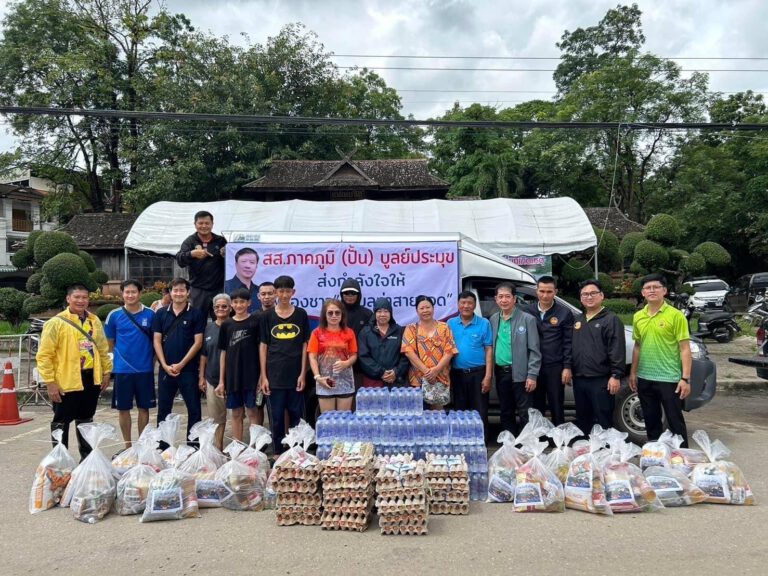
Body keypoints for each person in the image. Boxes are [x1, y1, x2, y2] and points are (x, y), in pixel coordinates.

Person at [37, 284, 113, 460]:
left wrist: (107, 372)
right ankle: (60, 460)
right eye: (76, 297)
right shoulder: (55, 323)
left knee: (86, 419)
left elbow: (102, 348)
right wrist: (50, 382)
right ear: (68, 299)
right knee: (61, 421)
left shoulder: (94, 321)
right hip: (66, 381)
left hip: (90, 378)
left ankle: (86, 459)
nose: (81, 301)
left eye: (84, 297)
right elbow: (44, 355)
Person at [630, 273, 693, 447]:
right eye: (647, 288)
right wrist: (633, 373)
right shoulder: (638, 317)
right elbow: (637, 346)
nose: (652, 291)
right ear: (642, 293)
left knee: (675, 422)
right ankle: (655, 457)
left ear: (664, 291)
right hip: (645, 377)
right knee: (651, 422)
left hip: (669, 378)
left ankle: (682, 458)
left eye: (656, 287)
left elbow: (685, 348)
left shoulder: (675, 316)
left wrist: (685, 378)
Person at [260, 275, 310, 454]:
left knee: (298, 416)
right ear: (275, 293)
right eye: (280, 291)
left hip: (296, 374)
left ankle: (299, 451)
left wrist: (303, 373)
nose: (284, 295)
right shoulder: (267, 316)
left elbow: (305, 345)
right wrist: (264, 376)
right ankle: (278, 453)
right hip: (274, 375)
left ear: (293, 292)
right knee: (276, 418)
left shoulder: (301, 314)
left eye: (288, 291)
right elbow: (263, 345)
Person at [152, 277, 206, 441]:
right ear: (170, 292)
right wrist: (164, 364)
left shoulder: (196, 314)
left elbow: (198, 342)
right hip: (166, 369)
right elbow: (156, 340)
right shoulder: (161, 314)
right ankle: (163, 447)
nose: (179, 293)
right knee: (164, 410)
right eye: (175, 290)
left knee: (194, 409)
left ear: (188, 292)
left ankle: (194, 446)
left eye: (182, 290)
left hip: (188, 369)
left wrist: (181, 364)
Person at [104, 279, 156, 449]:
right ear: (122, 294)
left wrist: (153, 361)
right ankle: (128, 446)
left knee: (144, 408)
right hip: (122, 370)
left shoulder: (150, 315)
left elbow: (156, 342)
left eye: (134, 292)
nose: (130, 295)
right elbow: (110, 343)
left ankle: (142, 444)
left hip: (145, 369)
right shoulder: (114, 315)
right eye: (127, 292)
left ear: (140, 294)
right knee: (123, 409)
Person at [571, 279, 626, 435]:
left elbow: (617, 349)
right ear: (581, 298)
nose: (589, 297)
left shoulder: (610, 319)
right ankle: (588, 453)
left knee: (603, 419)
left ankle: (605, 454)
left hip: (601, 380)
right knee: (583, 419)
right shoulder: (578, 319)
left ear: (602, 295)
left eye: (593, 293)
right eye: (585, 294)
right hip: (580, 379)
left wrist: (616, 375)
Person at [520, 275, 573, 425]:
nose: (545, 295)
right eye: (541, 291)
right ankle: (539, 439)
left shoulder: (564, 313)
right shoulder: (526, 311)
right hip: (533, 367)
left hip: (554, 367)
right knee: (536, 406)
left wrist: (567, 367)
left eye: (549, 291)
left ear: (555, 291)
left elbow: (568, 342)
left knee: (557, 404)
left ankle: (560, 441)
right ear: (536, 291)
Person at [489, 283, 541, 435]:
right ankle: (509, 445)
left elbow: (535, 350)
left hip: (521, 374)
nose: (504, 300)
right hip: (501, 373)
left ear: (514, 299)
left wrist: (532, 375)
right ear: (496, 299)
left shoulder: (527, 319)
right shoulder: (493, 319)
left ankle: (526, 446)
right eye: (500, 297)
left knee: (525, 412)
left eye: (507, 296)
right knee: (506, 410)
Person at [216, 288, 261, 442]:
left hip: (252, 376)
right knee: (236, 413)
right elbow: (223, 353)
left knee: (252, 412)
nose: (239, 305)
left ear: (249, 303)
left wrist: (261, 376)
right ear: (231, 305)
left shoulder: (255, 322)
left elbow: (262, 350)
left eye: (242, 301)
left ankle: (254, 449)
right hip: (233, 377)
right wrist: (222, 380)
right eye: (235, 302)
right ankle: (238, 447)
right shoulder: (227, 325)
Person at [447, 291, 493, 432]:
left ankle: (481, 446)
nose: (466, 306)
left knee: (480, 412)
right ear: (458, 304)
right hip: (457, 374)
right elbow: (446, 350)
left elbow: (488, 350)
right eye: (463, 303)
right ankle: (462, 446)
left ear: (474, 305)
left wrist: (488, 376)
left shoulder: (484, 323)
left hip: (478, 374)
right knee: (459, 412)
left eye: (469, 303)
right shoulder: (450, 323)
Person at [401, 295, 458, 409]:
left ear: (433, 308)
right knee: (419, 413)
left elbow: (450, 351)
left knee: (437, 414)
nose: (425, 310)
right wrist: (428, 372)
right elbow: (408, 352)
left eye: (428, 307)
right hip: (418, 379)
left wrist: (436, 371)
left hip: (440, 377)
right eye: (421, 308)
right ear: (417, 310)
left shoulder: (444, 327)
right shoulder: (411, 328)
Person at [308, 299, 358, 412]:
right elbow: (312, 357)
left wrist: (346, 363)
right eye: (330, 313)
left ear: (342, 314)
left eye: (337, 312)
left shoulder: (349, 332)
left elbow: (354, 355)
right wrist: (317, 377)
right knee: (327, 422)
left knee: (343, 421)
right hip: (325, 381)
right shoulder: (316, 333)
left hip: (345, 381)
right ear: (324, 315)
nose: (334, 315)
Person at [175, 210, 228, 318]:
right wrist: (191, 254)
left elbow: (234, 260)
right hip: (198, 289)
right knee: (197, 319)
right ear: (195, 224)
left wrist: (226, 254)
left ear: (212, 224)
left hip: (219, 288)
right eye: (200, 223)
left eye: (207, 223)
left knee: (221, 318)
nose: (204, 226)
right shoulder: (190, 241)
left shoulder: (221, 240)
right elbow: (180, 260)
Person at [199, 293, 230, 451]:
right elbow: (204, 355)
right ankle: (218, 448)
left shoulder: (234, 325)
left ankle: (238, 448)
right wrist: (201, 377)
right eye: (217, 307)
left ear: (230, 308)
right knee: (217, 418)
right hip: (212, 378)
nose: (221, 309)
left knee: (237, 416)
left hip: (233, 379)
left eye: (224, 306)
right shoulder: (209, 328)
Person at [357, 297, 409, 388]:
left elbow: (405, 355)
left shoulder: (399, 331)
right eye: (379, 311)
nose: (382, 314)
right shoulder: (366, 332)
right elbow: (363, 356)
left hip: (396, 382)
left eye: (386, 311)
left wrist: (396, 372)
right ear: (375, 313)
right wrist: (381, 372)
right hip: (373, 383)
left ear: (391, 313)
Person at [340, 278, 372, 388]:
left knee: (358, 398)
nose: (349, 295)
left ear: (358, 295)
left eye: (353, 293)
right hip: (339, 363)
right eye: (346, 293)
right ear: (341, 294)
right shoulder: (335, 312)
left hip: (361, 365)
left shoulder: (367, 314)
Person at [224, 247, 261, 313]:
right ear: (236, 264)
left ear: (256, 266)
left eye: (252, 262)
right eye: (244, 262)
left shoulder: (260, 291)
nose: (248, 266)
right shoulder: (225, 287)